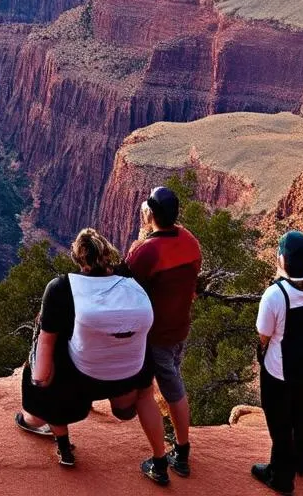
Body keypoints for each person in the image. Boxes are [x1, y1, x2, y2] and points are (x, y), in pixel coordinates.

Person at [15, 228, 171, 485]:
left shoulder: (61, 288)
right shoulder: (134, 282)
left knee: (46, 353)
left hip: (82, 377)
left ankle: (64, 447)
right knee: (145, 395)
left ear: (78, 259)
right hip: (129, 378)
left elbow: (45, 349)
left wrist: (40, 383)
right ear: (107, 253)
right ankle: (160, 463)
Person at [126, 186, 203, 478]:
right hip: (180, 327)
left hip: (155, 335)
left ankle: (173, 458)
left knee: (162, 390)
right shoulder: (190, 242)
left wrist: (142, 235)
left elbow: (125, 283)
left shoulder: (147, 251)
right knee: (171, 382)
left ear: (152, 213)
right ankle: (178, 447)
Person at [252, 231, 303, 495]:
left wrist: (261, 354)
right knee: (300, 408)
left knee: (279, 420)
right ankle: (301, 461)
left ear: (283, 261)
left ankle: (281, 476)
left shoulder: (275, 295)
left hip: (279, 368)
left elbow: (264, 336)